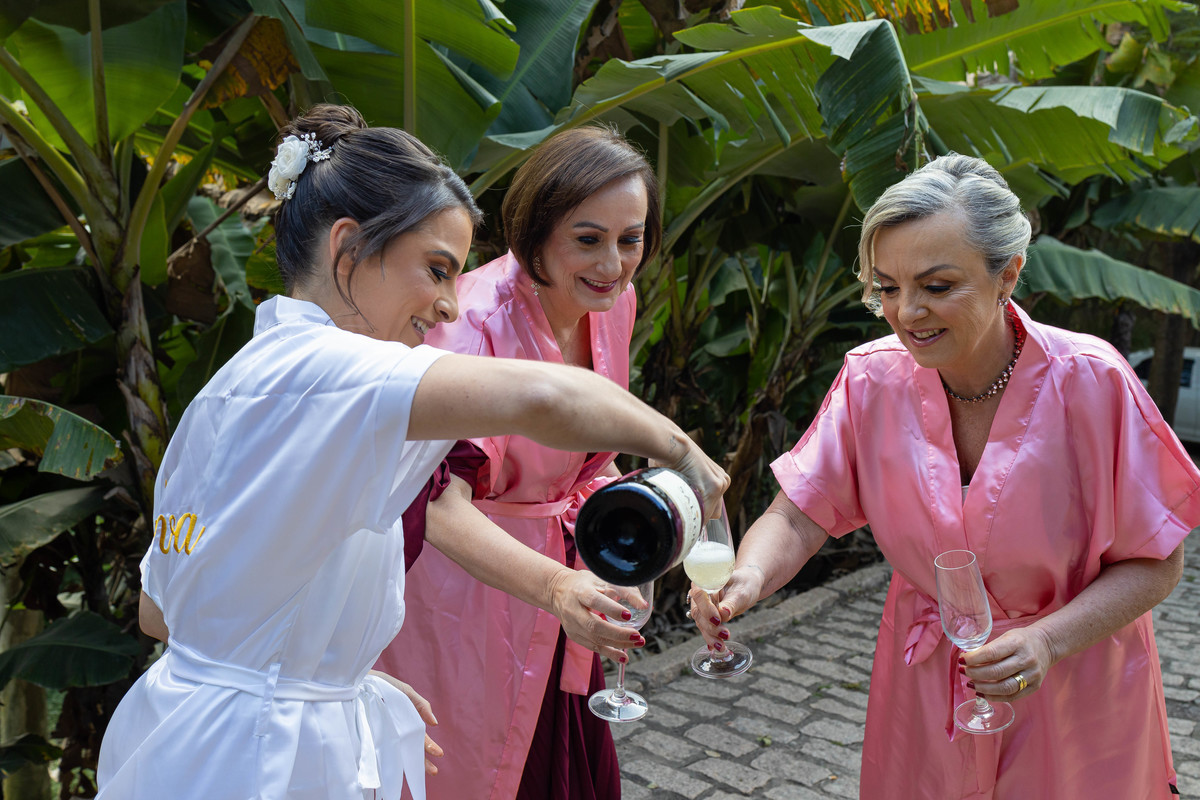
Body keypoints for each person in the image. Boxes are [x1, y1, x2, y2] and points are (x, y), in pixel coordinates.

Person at [95, 105, 728, 800]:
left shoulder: (234, 388)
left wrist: (332, 678)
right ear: (348, 249)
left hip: (186, 735)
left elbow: (162, 614)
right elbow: (546, 399)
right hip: (259, 761)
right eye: (436, 269)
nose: (451, 306)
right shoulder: (329, 373)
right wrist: (683, 453)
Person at [691, 154, 1200, 798]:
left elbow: (1158, 564)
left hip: (1074, 685)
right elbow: (798, 513)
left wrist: (1045, 640)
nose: (908, 312)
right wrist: (747, 579)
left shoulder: (1093, 382)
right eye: (887, 288)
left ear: (1007, 275)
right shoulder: (871, 378)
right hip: (927, 689)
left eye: (936, 287)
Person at [376, 126, 661, 800]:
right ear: (535, 235)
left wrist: (638, 541)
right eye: (588, 239)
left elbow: (591, 461)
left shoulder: (613, 304)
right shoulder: (472, 325)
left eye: (632, 238)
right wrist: (557, 587)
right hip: (465, 598)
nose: (614, 264)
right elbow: (434, 501)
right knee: (480, 769)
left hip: (563, 588)